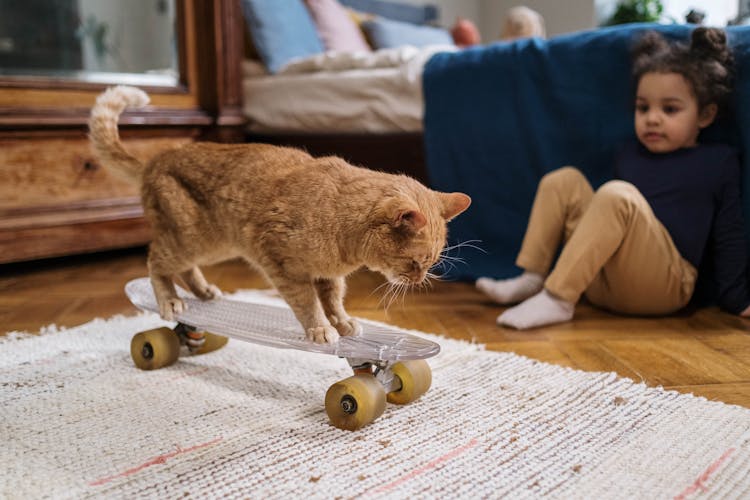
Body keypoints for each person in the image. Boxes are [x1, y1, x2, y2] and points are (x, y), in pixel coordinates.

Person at [476, 27, 750, 329]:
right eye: (643, 107)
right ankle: (533, 278)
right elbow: (605, 229)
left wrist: (737, 298)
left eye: (670, 109)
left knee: (616, 194)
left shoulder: (716, 161)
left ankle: (557, 299)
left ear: (705, 116)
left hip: (665, 288)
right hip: (602, 283)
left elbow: (729, 233)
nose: (652, 118)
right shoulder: (628, 155)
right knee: (563, 181)